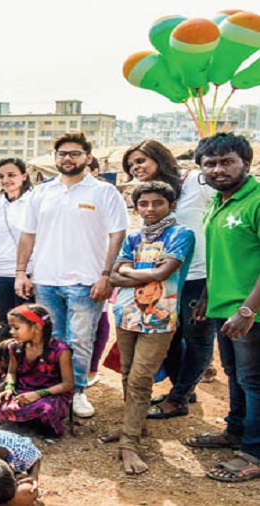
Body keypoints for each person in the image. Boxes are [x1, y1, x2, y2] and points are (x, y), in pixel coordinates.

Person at [15, 131, 128, 418]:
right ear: (55, 158)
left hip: (86, 281)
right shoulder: (41, 192)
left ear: (88, 158)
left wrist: (106, 275)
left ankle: (76, 391)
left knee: (80, 339)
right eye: (63, 154)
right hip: (46, 279)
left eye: (75, 154)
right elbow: (28, 235)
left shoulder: (103, 192)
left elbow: (117, 235)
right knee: (52, 339)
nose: (68, 158)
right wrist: (21, 272)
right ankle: (55, 390)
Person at [182, 133, 260, 483]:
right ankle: (236, 432)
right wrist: (207, 298)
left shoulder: (256, 200)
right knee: (236, 376)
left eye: (226, 161)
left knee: (255, 381)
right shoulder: (218, 201)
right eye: (209, 164)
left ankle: (254, 453)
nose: (218, 169)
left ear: (246, 162)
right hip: (223, 309)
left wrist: (247, 311)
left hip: (250, 313)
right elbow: (221, 258)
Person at [121, 140, 217, 420]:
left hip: (199, 274)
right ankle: (182, 389)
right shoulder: (151, 194)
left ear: (159, 157)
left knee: (197, 337)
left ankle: (179, 398)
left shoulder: (196, 182)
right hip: (161, 281)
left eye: (140, 161)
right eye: (131, 165)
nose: (135, 168)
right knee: (170, 337)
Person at [105, 181, 194, 474]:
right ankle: (137, 426)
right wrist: (145, 275)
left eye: (157, 203)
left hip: (160, 318)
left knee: (142, 378)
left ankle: (129, 443)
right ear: (136, 207)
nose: (150, 209)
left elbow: (163, 272)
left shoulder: (181, 234)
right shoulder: (134, 237)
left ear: (171, 206)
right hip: (127, 314)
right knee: (128, 373)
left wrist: (130, 271)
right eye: (143, 204)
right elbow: (115, 278)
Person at [0, 304, 74, 436]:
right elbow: (11, 372)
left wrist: (38, 394)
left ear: (37, 327)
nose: (11, 332)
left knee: (46, 409)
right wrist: (9, 388)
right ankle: (25, 423)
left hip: (51, 394)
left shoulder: (60, 351)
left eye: (16, 328)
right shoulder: (15, 348)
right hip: (23, 391)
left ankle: (30, 425)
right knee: (0, 404)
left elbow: (68, 384)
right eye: (11, 327)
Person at [0, 158, 34, 323]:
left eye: (11, 175)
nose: (6, 180)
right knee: (4, 322)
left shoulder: (36, 201)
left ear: (24, 176)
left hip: (31, 272)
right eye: (0, 176)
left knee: (28, 323)